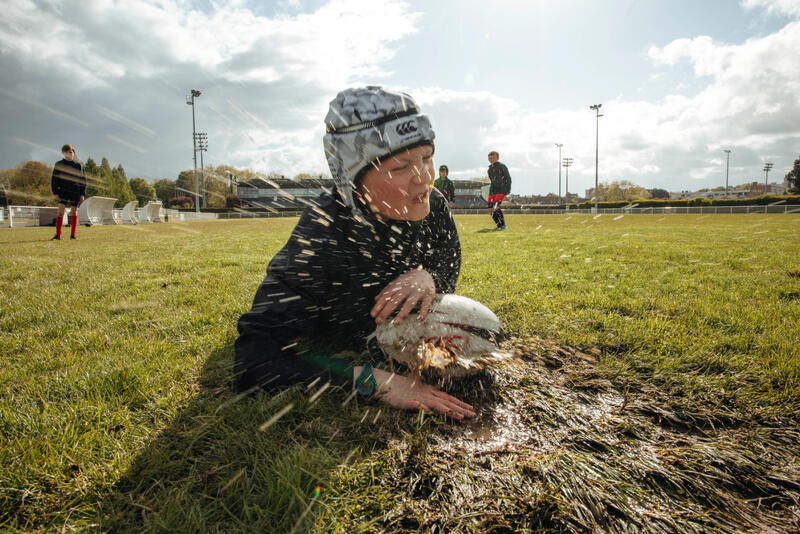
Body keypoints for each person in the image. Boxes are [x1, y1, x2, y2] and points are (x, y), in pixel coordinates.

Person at [234, 86, 475, 420]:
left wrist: (429, 276)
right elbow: (255, 358)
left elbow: (448, 255)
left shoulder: (432, 205)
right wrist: (369, 379)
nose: (424, 178)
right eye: (400, 167)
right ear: (351, 178)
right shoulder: (321, 237)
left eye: (427, 156)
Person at [50, 144, 86, 240]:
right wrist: (55, 192)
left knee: (74, 212)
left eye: (72, 152)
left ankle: (73, 235)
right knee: (60, 212)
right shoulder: (59, 164)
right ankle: (58, 235)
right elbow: (54, 179)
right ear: (64, 153)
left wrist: (82, 194)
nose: (71, 153)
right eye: (68, 152)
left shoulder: (78, 166)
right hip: (63, 191)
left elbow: (83, 181)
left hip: (75, 192)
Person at [487, 150, 511, 230]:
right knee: (490, 208)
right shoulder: (489, 170)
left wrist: (508, 189)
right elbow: (492, 180)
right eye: (490, 158)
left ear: (497, 158)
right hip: (493, 190)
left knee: (496, 206)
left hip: (501, 189)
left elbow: (508, 178)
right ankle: (498, 225)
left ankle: (503, 225)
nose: (492, 159)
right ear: (488, 159)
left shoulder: (502, 166)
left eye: (493, 158)